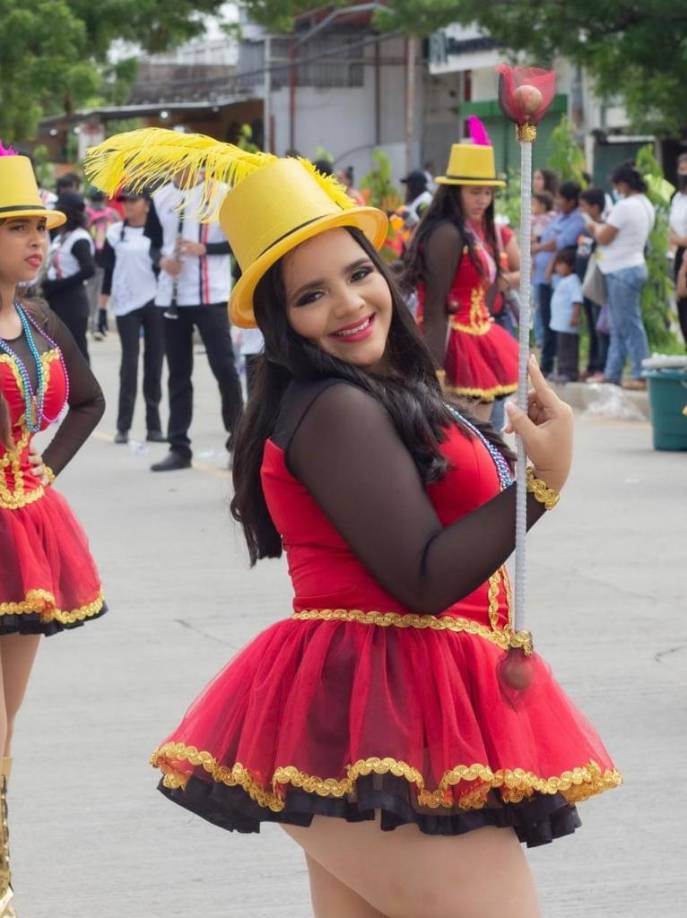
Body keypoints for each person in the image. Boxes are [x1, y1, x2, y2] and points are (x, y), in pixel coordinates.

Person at [85, 128, 621, 917]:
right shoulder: (334, 407)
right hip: (382, 707)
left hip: (399, 705)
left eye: (357, 274)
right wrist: (541, 486)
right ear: (279, 318)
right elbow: (423, 578)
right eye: (310, 295)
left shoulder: (374, 389)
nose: (347, 305)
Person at [0, 147, 106, 914]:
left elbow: (89, 401)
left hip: (25, 536)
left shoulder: (36, 317)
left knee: (6, 727)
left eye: (40, 225)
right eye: (17, 227)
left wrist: (38, 474)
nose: (37, 240)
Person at [405, 138, 519, 422]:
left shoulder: (478, 231)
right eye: (474, 192)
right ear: (455, 193)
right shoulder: (447, 234)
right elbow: (434, 307)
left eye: (488, 193)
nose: (483, 200)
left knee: (486, 435)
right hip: (450, 343)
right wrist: (435, 370)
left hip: (481, 335)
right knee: (468, 439)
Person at [143, 172, 244, 471]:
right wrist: (162, 261)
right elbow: (152, 243)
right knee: (178, 373)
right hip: (171, 295)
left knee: (225, 368)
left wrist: (205, 249)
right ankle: (179, 446)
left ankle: (238, 441)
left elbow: (239, 241)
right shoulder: (160, 197)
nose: (181, 168)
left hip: (211, 294)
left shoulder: (221, 192)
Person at [99, 189, 165, 444]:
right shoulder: (116, 233)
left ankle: (154, 427)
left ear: (147, 205)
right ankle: (123, 427)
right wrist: (102, 309)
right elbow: (107, 272)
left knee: (154, 363)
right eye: (124, 200)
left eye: (133, 200)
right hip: (126, 304)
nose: (127, 205)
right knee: (129, 364)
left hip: (155, 302)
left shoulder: (158, 233)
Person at [585, 162, 655, 390]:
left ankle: (641, 373)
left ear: (623, 184)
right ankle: (612, 372)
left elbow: (604, 237)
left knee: (630, 324)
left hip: (621, 270)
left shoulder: (625, 206)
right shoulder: (645, 204)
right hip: (631, 265)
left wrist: (593, 226)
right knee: (618, 324)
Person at [531, 181, 586, 377]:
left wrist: (538, 249)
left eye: (561, 198)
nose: (557, 201)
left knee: (558, 324)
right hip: (542, 276)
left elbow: (560, 243)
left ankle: (560, 366)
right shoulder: (558, 218)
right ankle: (547, 363)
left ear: (571, 201)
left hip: (556, 278)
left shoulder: (578, 221)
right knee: (546, 321)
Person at [40, 191, 95, 364]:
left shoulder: (79, 238)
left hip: (72, 300)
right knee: (59, 351)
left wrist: (59, 285)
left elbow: (89, 269)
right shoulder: (62, 237)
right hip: (58, 299)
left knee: (76, 350)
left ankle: (86, 391)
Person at [577, 188, 609, 379]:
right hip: (585, 283)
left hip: (597, 284)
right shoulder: (586, 228)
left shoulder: (603, 228)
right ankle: (591, 364)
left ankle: (601, 366)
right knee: (591, 326)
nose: (582, 210)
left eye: (584, 206)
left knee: (601, 327)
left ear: (595, 207)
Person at [85, 189, 120, 341]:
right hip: (111, 258)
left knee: (92, 291)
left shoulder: (85, 213)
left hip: (93, 257)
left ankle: (93, 324)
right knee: (105, 292)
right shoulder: (112, 214)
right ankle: (100, 323)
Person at [549, 247, 582, 381]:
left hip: (568, 323)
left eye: (561, 264)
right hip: (560, 324)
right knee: (561, 349)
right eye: (556, 265)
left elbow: (577, 300)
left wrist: (574, 316)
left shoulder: (573, 280)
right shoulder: (561, 280)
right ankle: (561, 371)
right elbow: (548, 276)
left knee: (568, 349)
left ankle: (569, 373)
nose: (557, 268)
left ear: (571, 265)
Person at [531, 191, 555, 349]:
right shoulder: (552, 220)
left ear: (543, 205)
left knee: (540, 305)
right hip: (538, 268)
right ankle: (541, 337)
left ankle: (542, 338)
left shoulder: (545, 221)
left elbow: (533, 240)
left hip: (543, 269)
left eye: (535, 203)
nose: (532, 207)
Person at [668, 153, 687, 349]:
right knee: (682, 309)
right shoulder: (678, 198)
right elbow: (672, 227)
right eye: (681, 169)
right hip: (680, 253)